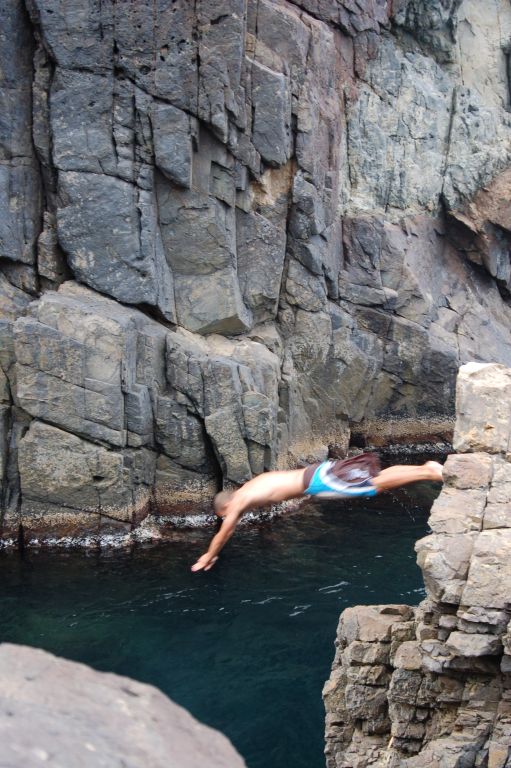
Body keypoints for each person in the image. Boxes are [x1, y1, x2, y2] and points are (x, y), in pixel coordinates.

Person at [191, 453, 444, 572]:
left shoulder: (238, 501)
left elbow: (226, 533)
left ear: (223, 508)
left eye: (223, 515)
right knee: (372, 479)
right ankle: (425, 468)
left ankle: (428, 472)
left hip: (317, 484)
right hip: (317, 471)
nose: (227, 517)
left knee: (372, 486)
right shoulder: (251, 485)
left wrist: (208, 557)